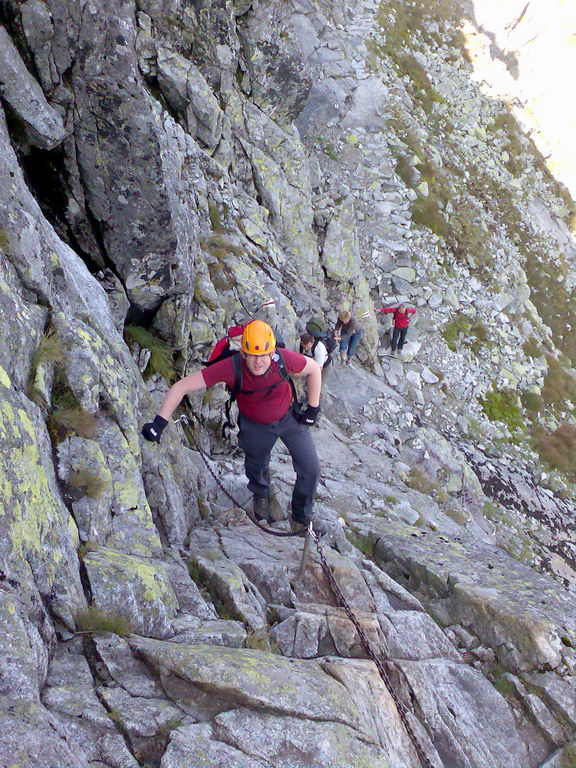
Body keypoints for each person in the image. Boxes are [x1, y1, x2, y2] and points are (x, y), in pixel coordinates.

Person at [142, 320, 322, 528]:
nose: (258, 362)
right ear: (243, 353)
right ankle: (261, 495)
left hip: (289, 418)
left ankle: (302, 515)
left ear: (272, 353)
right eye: (252, 355)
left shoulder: (283, 359)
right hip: (255, 424)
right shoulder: (231, 367)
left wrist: (312, 408)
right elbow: (181, 387)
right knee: (257, 464)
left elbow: (314, 369)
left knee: (311, 467)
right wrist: (159, 422)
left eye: (263, 355)